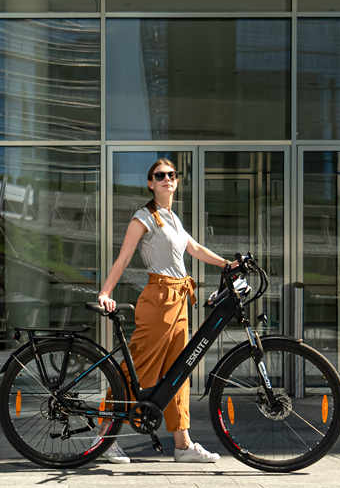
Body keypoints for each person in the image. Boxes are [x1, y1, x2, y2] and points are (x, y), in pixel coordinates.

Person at [96, 158, 236, 464]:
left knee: (179, 372)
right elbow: (123, 257)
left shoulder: (173, 218)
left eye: (171, 175)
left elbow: (195, 249)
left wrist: (228, 264)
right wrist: (105, 291)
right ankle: (105, 435)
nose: (167, 179)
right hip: (158, 299)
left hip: (180, 299)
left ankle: (183, 443)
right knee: (141, 367)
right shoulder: (143, 217)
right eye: (160, 176)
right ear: (150, 183)